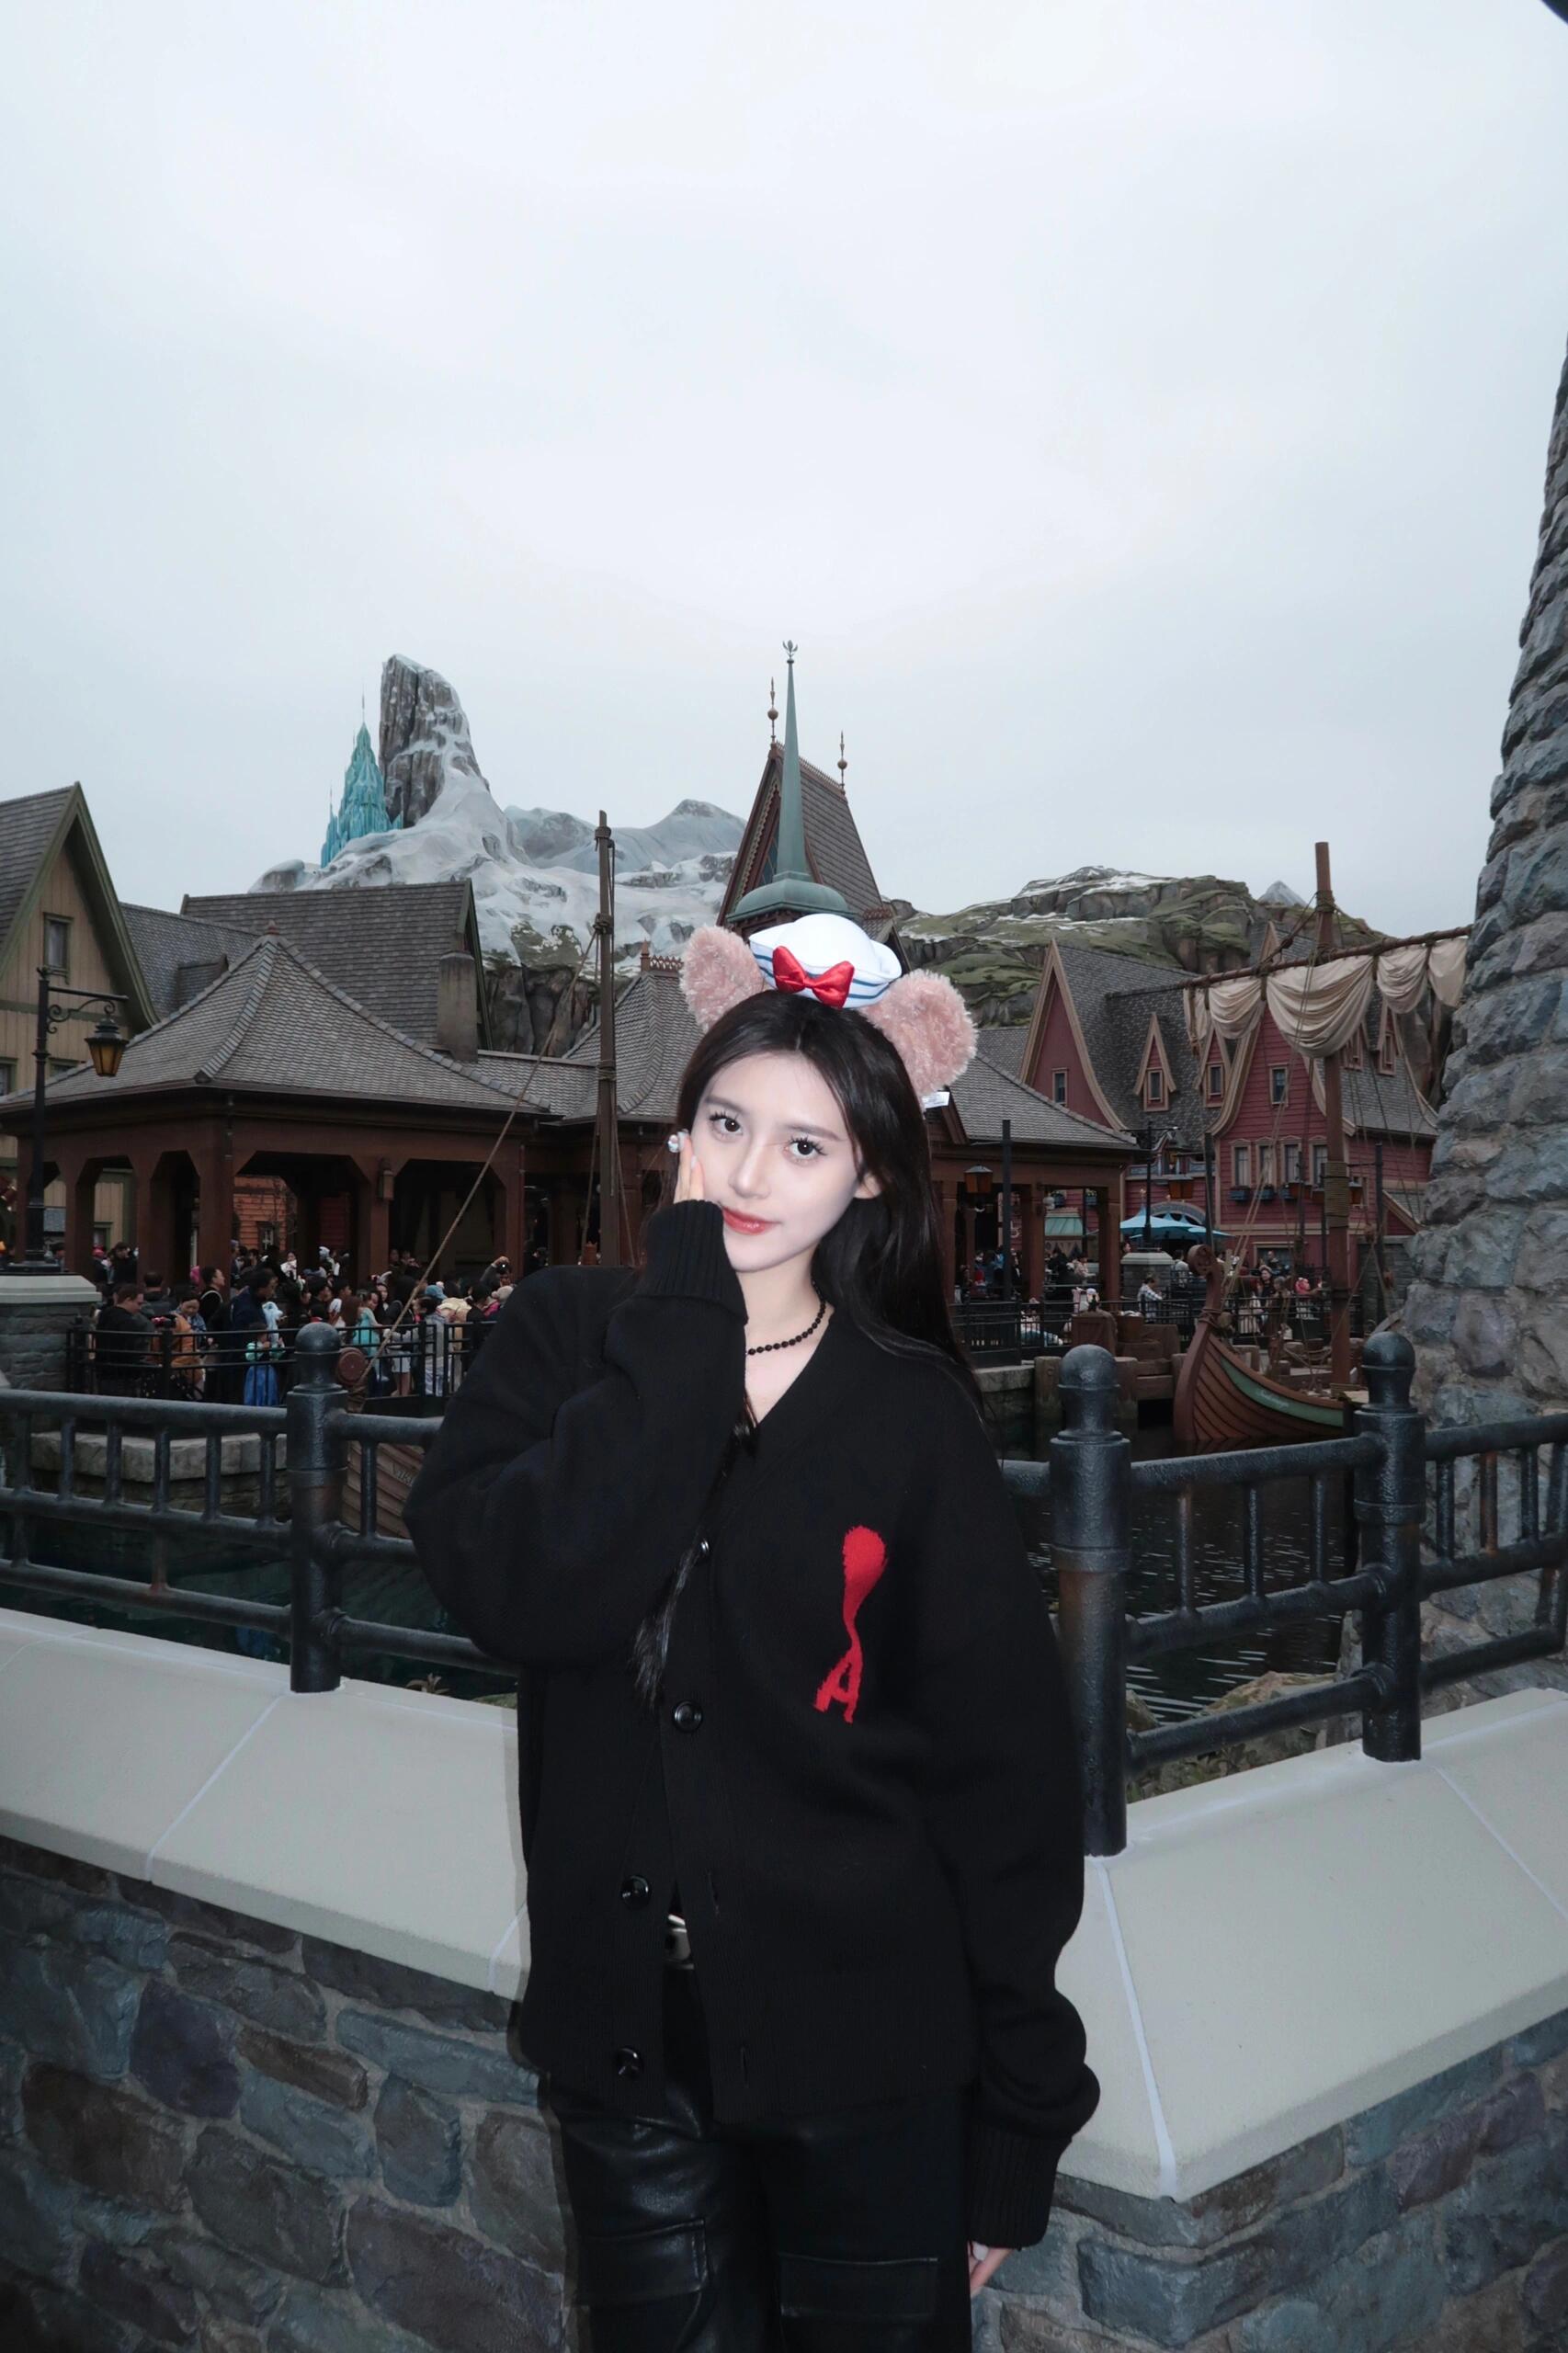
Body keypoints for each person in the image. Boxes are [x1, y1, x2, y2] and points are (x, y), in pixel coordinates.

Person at [404, 910, 1099, 2346]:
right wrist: (680, 1321)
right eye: (725, 1123)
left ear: (866, 1176)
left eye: (803, 1144)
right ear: (681, 1132)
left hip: (876, 2056)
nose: (747, 1172)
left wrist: (1019, 2118)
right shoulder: (566, 1337)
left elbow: (1004, 1787)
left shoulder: (911, 1414)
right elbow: (513, 1587)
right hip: (628, 2055)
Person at [95, 1280, 151, 1397]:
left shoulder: (105, 1314)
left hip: (104, 1370)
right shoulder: (129, 1322)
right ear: (128, 1300)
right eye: (138, 1303)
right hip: (123, 1374)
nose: (139, 1308)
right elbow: (132, 1350)